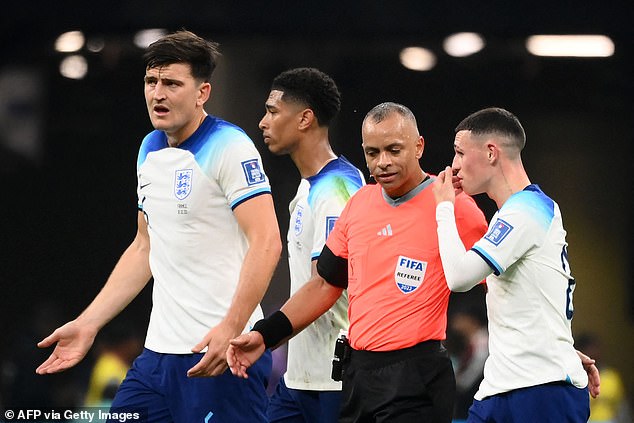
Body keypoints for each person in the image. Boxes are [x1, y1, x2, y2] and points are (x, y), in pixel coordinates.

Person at [36, 30, 282, 422]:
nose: (158, 94)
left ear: (203, 92)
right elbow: (144, 247)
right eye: (151, 82)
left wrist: (231, 326)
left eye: (172, 83)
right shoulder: (149, 149)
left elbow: (267, 241)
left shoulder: (230, 146)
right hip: (155, 361)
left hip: (220, 355)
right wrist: (88, 324)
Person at [228, 102, 489, 422]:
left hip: (416, 377)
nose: (383, 163)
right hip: (357, 377)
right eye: (373, 152)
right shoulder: (359, 204)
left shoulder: (453, 206)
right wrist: (265, 335)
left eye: (394, 150)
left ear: (419, 146)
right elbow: (325, 284)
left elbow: (502, 286)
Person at [432, 106, 597, 422]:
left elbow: (459, 277)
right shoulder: (519, 213)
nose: (454, 166)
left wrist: (444, 210)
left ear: (491, 153)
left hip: (538, 392)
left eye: (459, 153)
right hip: (507, 387)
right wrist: (560, 351)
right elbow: (533, 297)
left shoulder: (525, 210)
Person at [258, 67, 365, 422]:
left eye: (273, 112)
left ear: (305, 119)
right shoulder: (307, 187)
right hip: (298, 380)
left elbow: (328, 283)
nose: (263, 122)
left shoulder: (339, 190)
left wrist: (265, 335)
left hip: (335, 382)